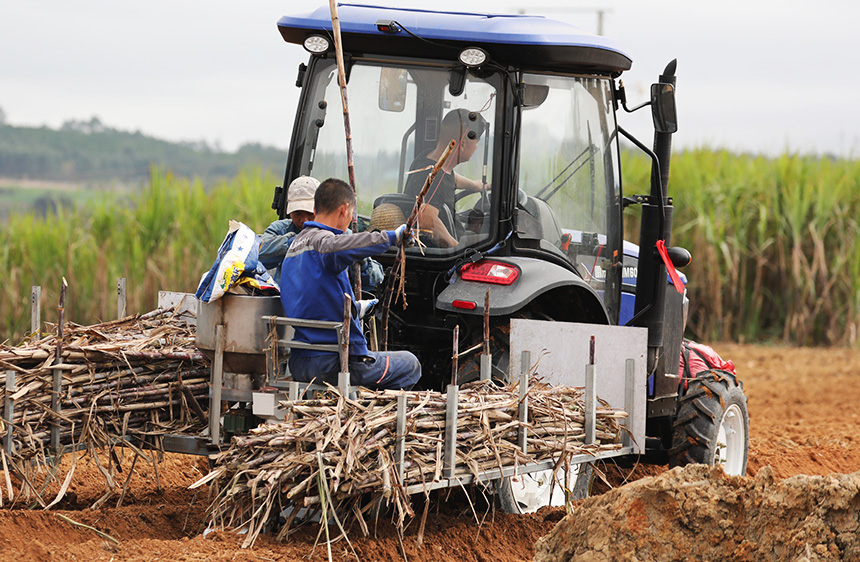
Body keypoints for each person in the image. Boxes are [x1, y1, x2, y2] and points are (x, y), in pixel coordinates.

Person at [280, 177, 421, 390]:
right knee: (410, 364)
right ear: (344, 210)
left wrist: (356, 309)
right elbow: (337, 246)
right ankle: (371, 421)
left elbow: (313, 301)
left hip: (301, 362)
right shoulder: (323, 242)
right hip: (334, 363)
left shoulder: (294, 246)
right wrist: (391, 237)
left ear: (315, 208)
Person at [259, 175, 383, 288]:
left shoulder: (342, 235)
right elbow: (258, 253)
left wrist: (362, 260)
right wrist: (298, 241)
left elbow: (375, 278)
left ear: (319, 208)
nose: (304, 220)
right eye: (298, 214)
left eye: (310, 214)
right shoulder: (281, 230)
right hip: (286, 304)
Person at [403, 108, 489, 247]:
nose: (477, 147)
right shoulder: (435, 178)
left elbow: (449, 177)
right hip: (443, 253)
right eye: (476, 142)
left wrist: (475, 185)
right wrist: (457, 249)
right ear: (463, 144)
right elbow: (425, 218)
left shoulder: (427, 160)